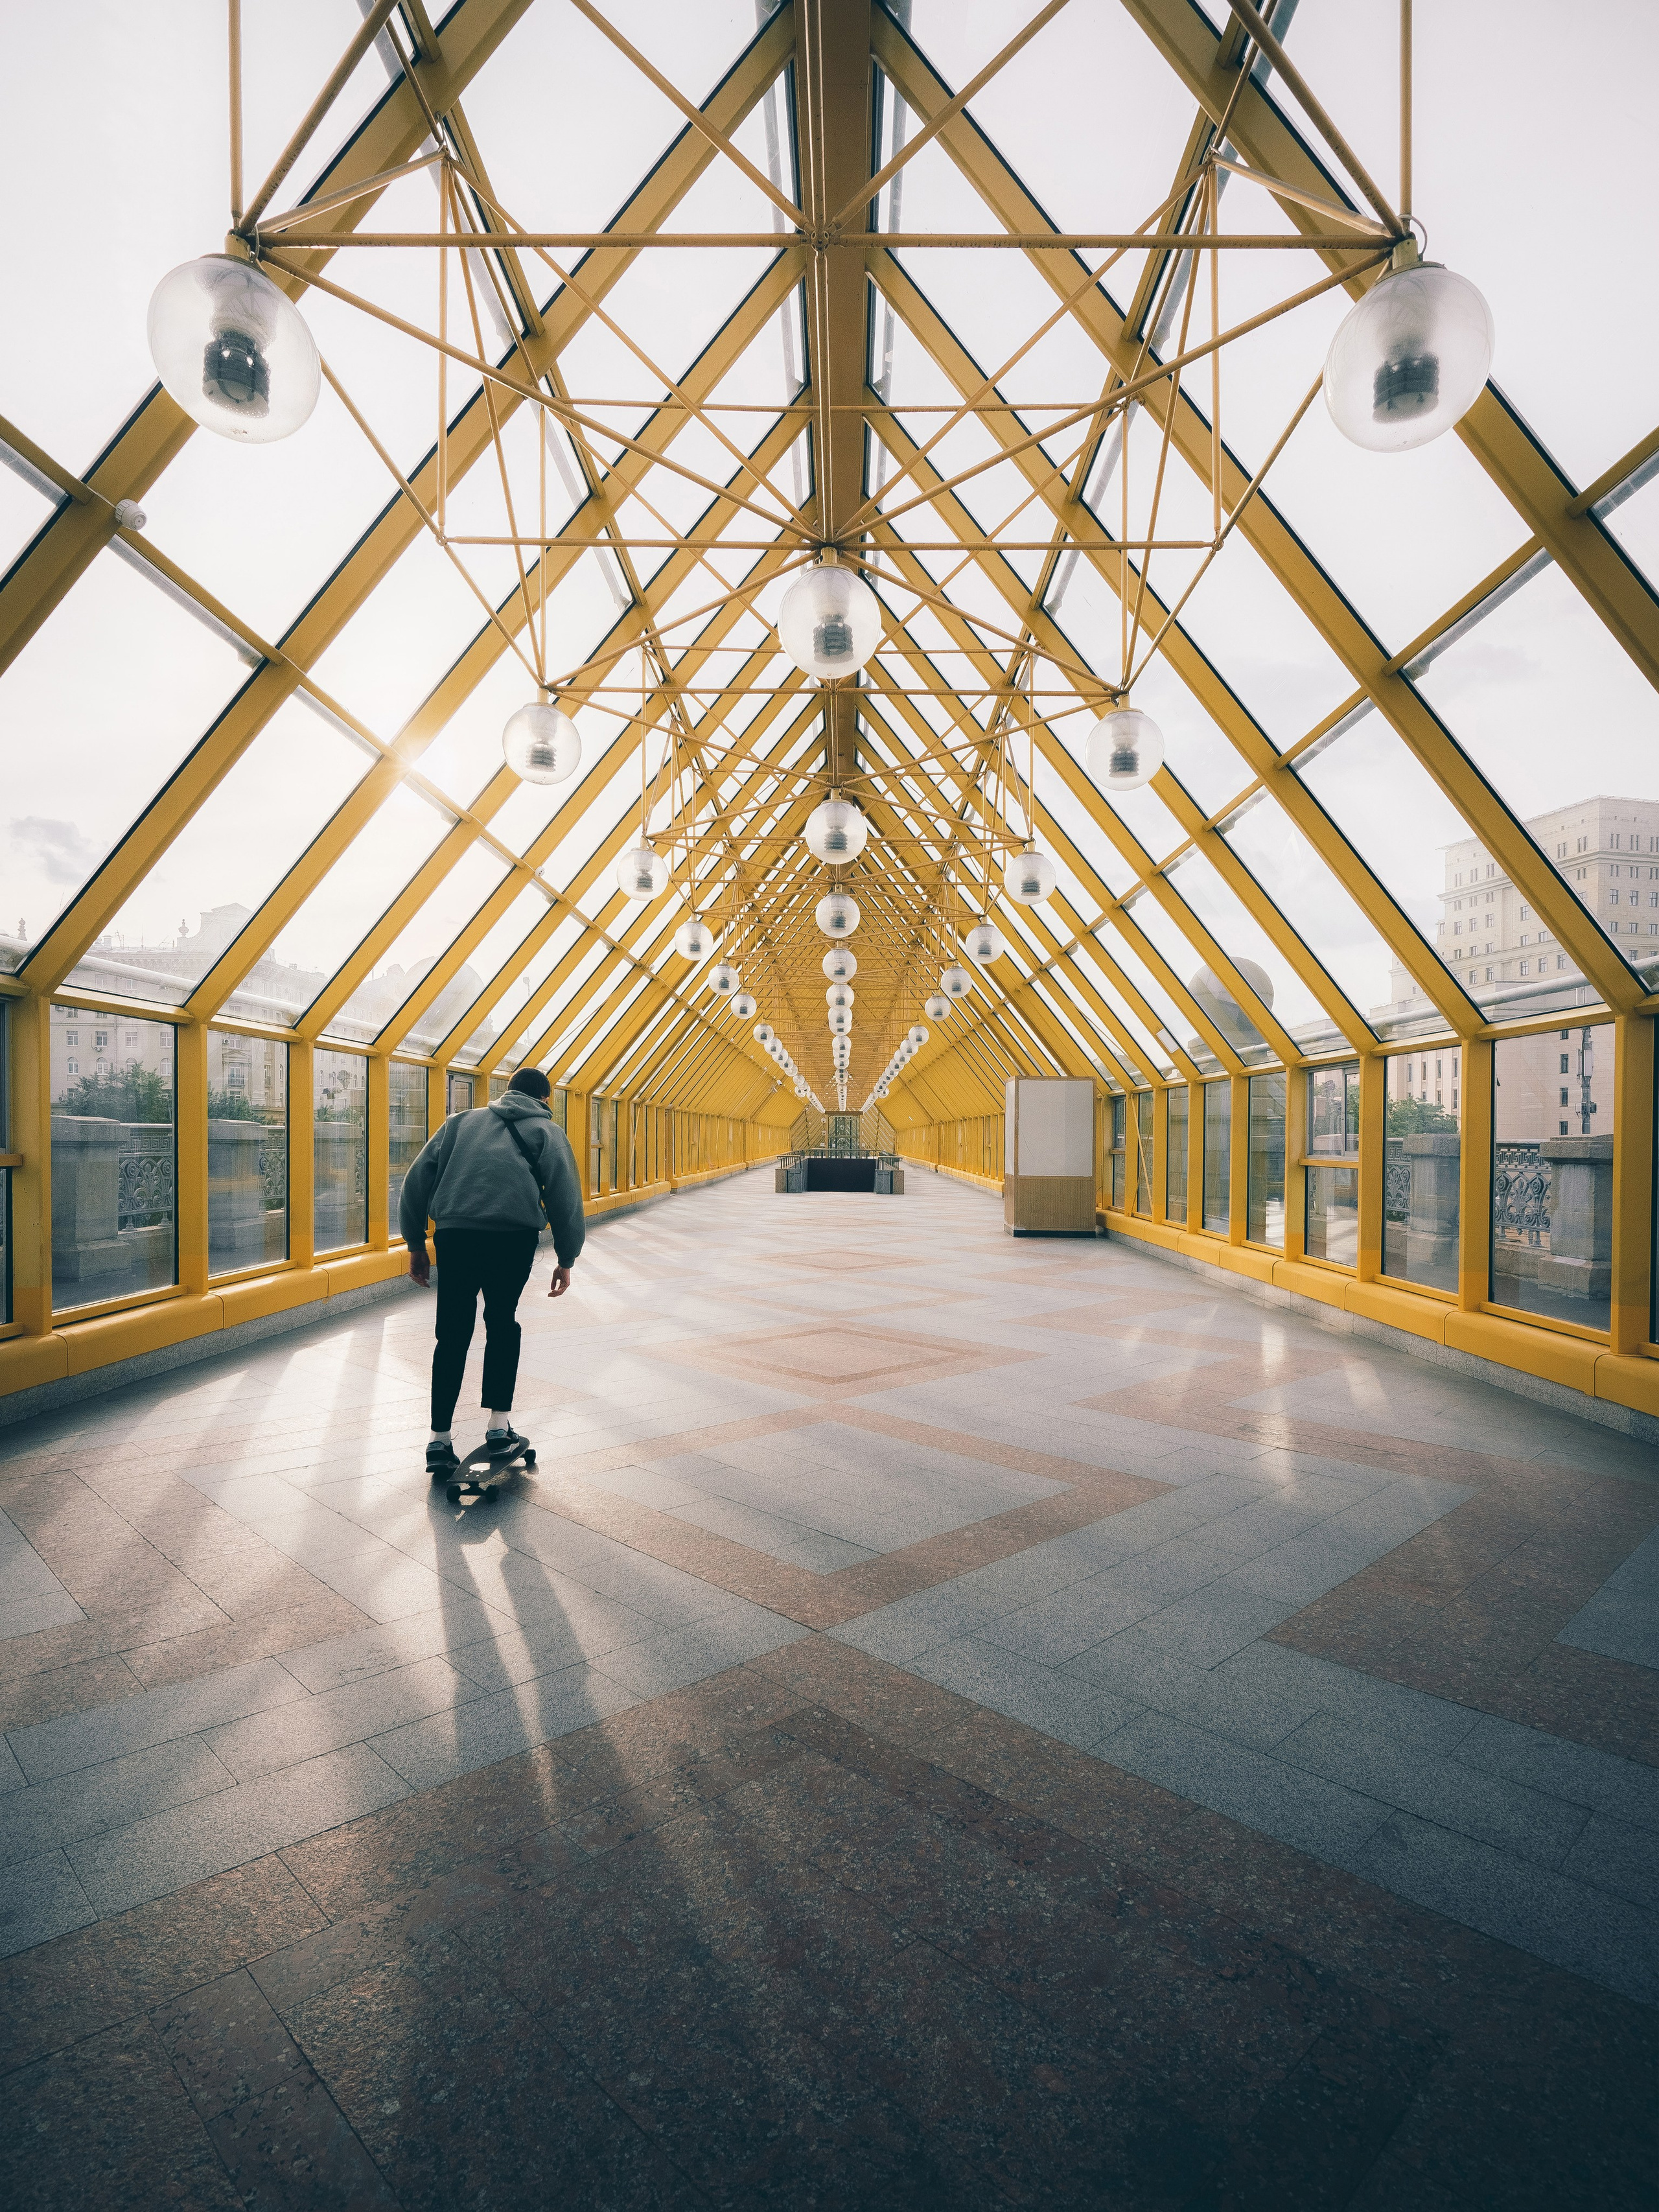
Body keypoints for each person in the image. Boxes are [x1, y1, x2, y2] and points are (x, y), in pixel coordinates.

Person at [399, 1068, 585, 1478]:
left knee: (451, 1334)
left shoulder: (460, 1123)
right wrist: (566, 1258)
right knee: (502, 1324)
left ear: (508, 1092)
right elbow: (565, 1198)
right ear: (546, 1099)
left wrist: (415, 1245)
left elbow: (415, 1182)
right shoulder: (546, 1133)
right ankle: (499, 1428)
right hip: (511, 1241)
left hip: (456, 1238)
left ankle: (439, 1439)